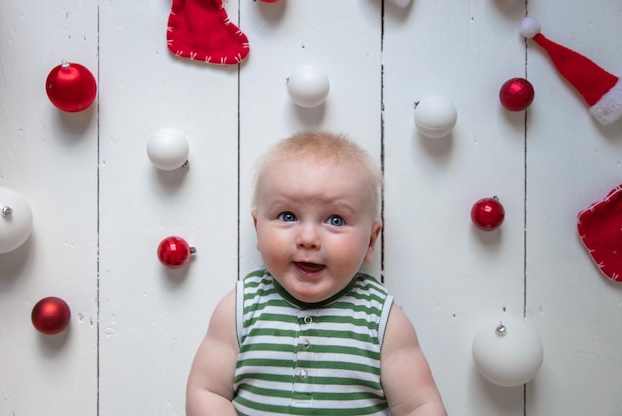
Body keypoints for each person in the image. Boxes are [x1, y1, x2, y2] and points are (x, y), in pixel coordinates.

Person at [186, 131, 447, 416]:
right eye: (288, 216)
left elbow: (419, 405)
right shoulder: (241, 308)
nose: (308, 238)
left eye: (336, 220)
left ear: (371, 241)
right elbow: (206, 391)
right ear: (257, 227)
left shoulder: (381, 319)